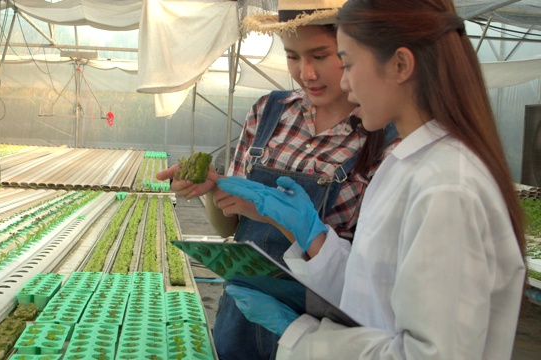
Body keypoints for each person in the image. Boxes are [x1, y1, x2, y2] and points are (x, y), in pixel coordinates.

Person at [216, 0, 528, 359]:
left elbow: (431, 354)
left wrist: (300, 336)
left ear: (400, 65)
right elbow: (371, 295)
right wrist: (312, 236)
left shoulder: (447, 187)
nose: (344, 84)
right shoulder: (407, 165)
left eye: (345, 62)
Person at [156, 1, 398, 358]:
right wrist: (213, 189)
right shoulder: (269, 112)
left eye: (320, 55)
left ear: (354, 49)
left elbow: (371, 278)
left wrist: (280, 218)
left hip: (323, 331)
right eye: (293, 57)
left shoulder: (384, 137)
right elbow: (229, 227)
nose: (306, 73)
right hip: (243, 312)